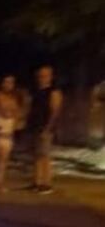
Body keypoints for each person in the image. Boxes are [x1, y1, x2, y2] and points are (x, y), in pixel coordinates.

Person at [27, 65, 63, 194]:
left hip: (45, 127)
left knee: (45, 155)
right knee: (36, 155)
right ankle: (36, 181)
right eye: (40, 76)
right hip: (34, 126)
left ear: (51, 77)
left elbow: (55, 111)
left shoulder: (53, 91)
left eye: (45, 75)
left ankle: (46, 184)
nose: (42, 78)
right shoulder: (36, 91)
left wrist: (48, 128)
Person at [0, 74, 23, 192]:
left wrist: (13, 111)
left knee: (2, 160)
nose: (9, 85)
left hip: (7, 130)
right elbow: (5, 112)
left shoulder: (13, 98)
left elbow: (17, 112)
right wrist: (12, 110)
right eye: (6, 82)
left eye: (11, 82)